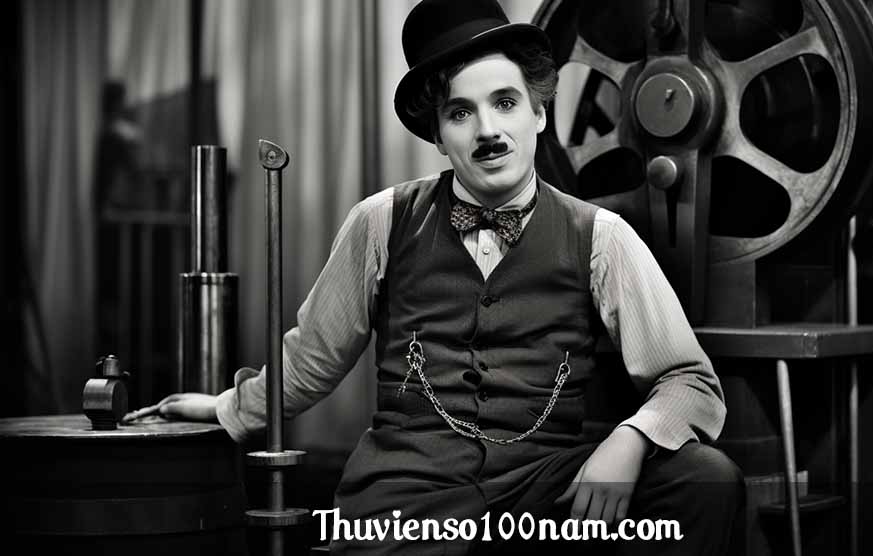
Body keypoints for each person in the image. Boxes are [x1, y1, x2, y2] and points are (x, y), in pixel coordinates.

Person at [126, 1, 744, 554]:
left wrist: (631, 439)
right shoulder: (380, 221)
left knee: (705, 481)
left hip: (543, 497)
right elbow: (310, 362)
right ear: (439, 136)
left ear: (539, 113)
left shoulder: (601, 236)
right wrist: (225, 408)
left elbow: (689, 381)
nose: (487, 131)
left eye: (505, 103)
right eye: (460, 113)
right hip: (407, 497)